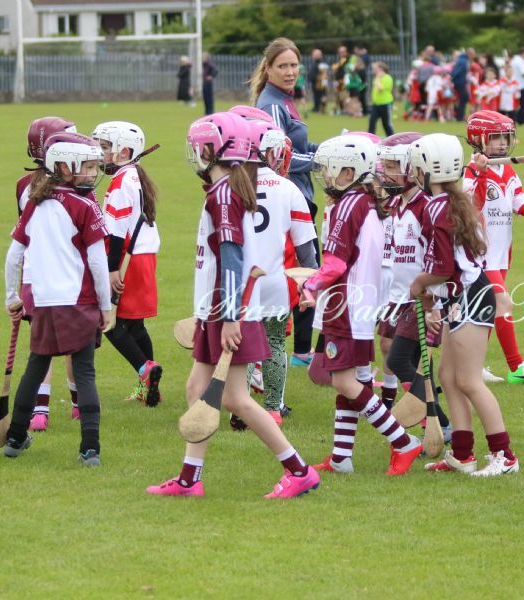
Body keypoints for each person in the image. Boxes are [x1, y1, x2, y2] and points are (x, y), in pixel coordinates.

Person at [147, 112, 319, 499]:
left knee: (236, 399)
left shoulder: (224, 194)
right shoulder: (225, 189)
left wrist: (229, 317)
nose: (195, 153)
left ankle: (298, 470)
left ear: (215, 150)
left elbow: (232, 259)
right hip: (218, 309)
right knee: (197, 387)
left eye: (199, 147)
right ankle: (190, 479)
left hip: (231, 311)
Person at [305, 134, 423, 476]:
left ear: (349, 172)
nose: (325, 175)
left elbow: (335, 263)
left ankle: (403, 442)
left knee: (344, 383)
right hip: (362, 303)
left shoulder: (347, 206)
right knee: (354, 379)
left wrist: (309, 285)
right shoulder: (367, 201)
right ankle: (341, 457)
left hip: (346, 305)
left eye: (330, 168)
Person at [405, 133, 519, 476]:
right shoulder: (449, 201)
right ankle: (463, 455)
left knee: (469, 380)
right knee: (449, 377)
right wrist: (432, 296)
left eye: (417, 167)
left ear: (429, 169)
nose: (413, 173)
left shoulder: (437, 207)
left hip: (470, 296)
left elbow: (442, 268)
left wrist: (420, 284)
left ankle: (505, 456)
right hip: (460, 295)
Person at [2, 132, 110, 466]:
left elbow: (13, 256)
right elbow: (98, 263)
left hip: (44, 302)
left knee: (34, 369)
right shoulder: (85, 206)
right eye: (86, 167)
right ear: (63, 167)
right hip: (80, 302)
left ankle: (15, 439)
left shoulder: (34, 204)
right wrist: (106, 306)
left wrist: (12, 296)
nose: (93, 173)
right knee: (85, 373)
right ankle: (90, 448)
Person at [463, 110, 524, 384]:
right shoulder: (471, 171)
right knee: (503, 303)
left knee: (488, 311)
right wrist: (481, 174)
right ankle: (517, 368)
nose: (502, 143)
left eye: (506, 137)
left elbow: (517, 197)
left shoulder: (507, 169)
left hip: (501, 254)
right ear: (479, 139)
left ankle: (474, 366)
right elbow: (472, 204)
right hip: (481, 256)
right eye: (496, 137)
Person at [251, 37, 319, 368]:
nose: (290, 71)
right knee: (305, 270)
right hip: (290, 199)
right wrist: (323, 162)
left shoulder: (284, 100)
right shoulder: (273, 105)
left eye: (294, 65)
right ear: (269, 69)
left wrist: (328, 148)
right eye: (283, 66)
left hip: (297, 195)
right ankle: (292, 353)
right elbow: (279, 156)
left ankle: (299, 351)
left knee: (305, 269)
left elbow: (297, 147)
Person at [378, 132, 452, 429]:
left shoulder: (425, 207)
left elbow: (437, 259)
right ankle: (432, 421)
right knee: (403, 356)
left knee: (399, 360)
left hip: (421, 300)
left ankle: (440, 423)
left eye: (392, 166)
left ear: (413, 168)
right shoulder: (397, 203)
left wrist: (433, 304)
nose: (386, 173)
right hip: (398, 296)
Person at [16, 117, 82, 431]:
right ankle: (79, 404)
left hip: (34, 277)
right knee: (77, 345)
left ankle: (40, 411)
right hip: (70, 277)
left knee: (40, 345)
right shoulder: (78, 185)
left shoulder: (23, 186)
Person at [92, 121, 163, 407]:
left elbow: (117, 233)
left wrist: (111, 270)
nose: (100, 152)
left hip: (127, 260)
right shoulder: (133, 175)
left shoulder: (121, 182)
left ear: (124, 151)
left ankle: (145, 369)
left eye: (105, 147)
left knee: (108, 323)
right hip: (143, 257)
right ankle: (149, 387)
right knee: (135, 325)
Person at [368, 62, 395, 137]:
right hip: (376, 104)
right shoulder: (376, 78)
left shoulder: (387, 78)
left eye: (375, 69)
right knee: (372, 121)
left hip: (385, 104)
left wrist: (379, 78)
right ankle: (370, 138)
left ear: (380, 69)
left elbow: (380, 88)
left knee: (386, 124)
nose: (373, 70)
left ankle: (392, 139)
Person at [509, 47, 524, 125]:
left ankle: (519, 118)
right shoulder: (520, 61)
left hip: (516, 84)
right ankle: (523, 120)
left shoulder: (514, 60)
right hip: (522, 85)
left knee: (519, 104)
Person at [451, 49, 471, 121]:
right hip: (460, 82)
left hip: (459, 82)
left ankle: (460, 115)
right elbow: (457, 72)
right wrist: (454, 78)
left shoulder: (461, 60)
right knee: (464, 98)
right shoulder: (463, 61)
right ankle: (460, 116)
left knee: (462, 99)